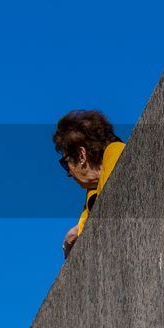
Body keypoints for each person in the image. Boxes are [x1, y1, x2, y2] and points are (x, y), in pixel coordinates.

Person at [54, 110, 125, 258]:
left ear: (81, 155)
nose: (68, 173)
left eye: (65, 164)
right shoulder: (92, 193)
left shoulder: (116, 152)